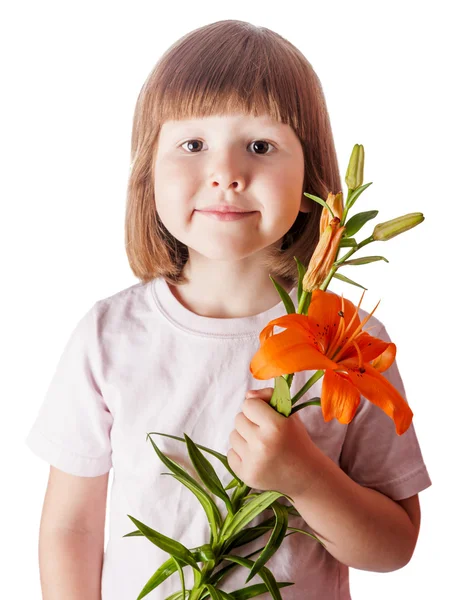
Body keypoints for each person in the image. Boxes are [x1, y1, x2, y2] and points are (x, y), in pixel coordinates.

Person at [25, 19, 432, 600]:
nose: (227, 174)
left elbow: (395, 547)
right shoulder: (108, 335)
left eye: (260, 146)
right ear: (147, 172)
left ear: (313, 179)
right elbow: (71, 527)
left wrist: (306, 479)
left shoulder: (351, 339)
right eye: (193, 144)